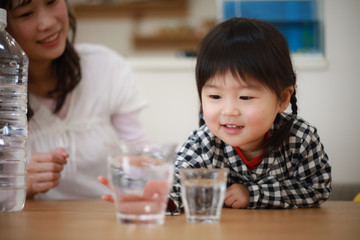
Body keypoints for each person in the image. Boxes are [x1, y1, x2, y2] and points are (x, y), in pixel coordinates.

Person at [168, 17, 331, 211]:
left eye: (245, 97)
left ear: (283, 98)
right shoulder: (203, 143)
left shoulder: (301, 138)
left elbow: (316, 188)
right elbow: (177, 182)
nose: (229, 110)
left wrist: (253, 194)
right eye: (215, 95)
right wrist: (162, 196)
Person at [1, 0, 147, 199]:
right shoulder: (5, 96)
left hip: (107, 220)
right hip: (37, 227)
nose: (47, 23)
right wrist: (21, 185)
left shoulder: (105, 66)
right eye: (26, 14)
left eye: (52, 1)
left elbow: (136, 150)